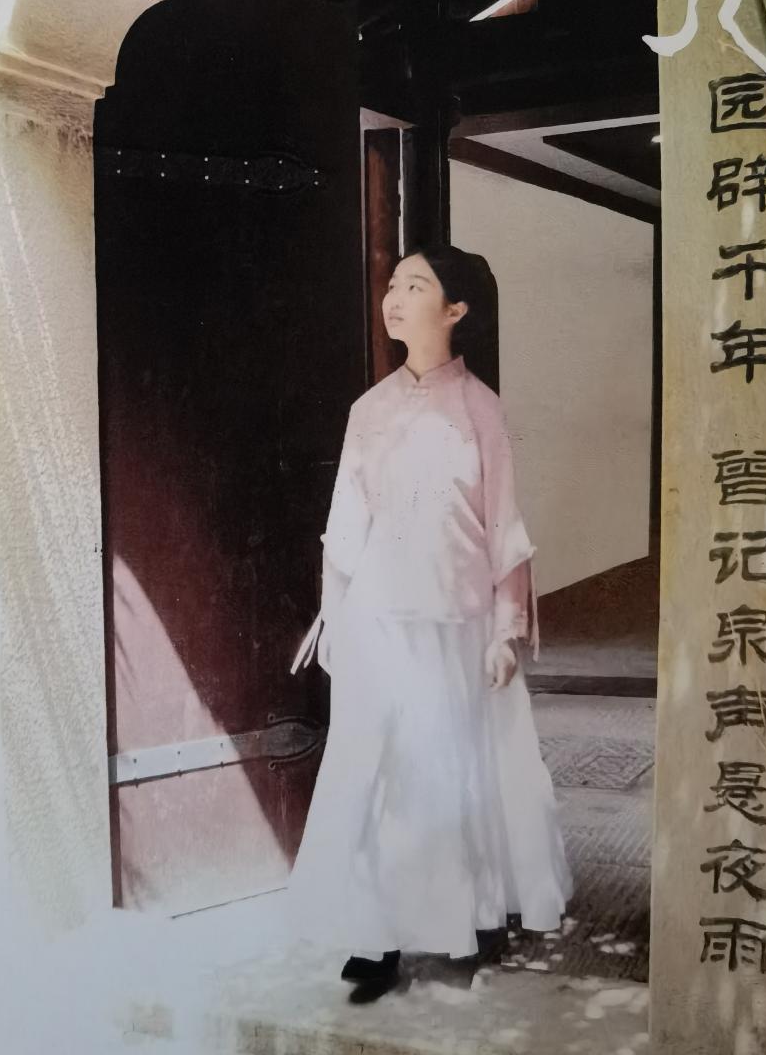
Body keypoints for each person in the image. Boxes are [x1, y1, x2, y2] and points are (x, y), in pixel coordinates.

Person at [285, 244, 573, 997]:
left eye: (414, 286)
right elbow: (345, 524)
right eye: (393, 284)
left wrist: (506, 630)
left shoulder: (482, 409)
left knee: (452, 775)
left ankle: (462, 920)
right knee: (378, 771)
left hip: (457, 620)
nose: (394, 297)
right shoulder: (368, 410)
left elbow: (505, 525)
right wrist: (336, 617)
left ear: (455, 310)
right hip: (379, 619)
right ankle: (374, 934)